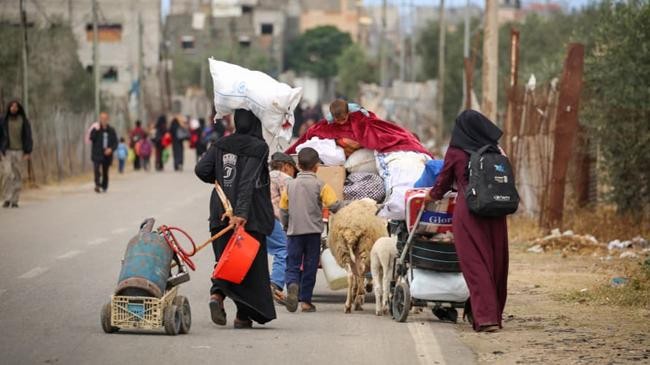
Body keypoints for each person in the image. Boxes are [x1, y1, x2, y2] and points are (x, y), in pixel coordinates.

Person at [426, 109, 509, 333]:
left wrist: (429, 196)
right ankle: (492, 313)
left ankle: (486, 318)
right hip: (496, 213)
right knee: (495, 263)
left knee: (475, 264)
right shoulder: (495, 149)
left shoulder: (456, 151)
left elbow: (442, 183)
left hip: (470, 212)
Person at [195, 109, 276, 329]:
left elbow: (201, 169)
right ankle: (242, 316)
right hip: (247, 216)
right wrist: (240, 213)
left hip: (220, 211)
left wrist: (220, 177)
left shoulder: (221, 143)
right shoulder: (259, 147)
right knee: (247, 265)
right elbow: (247, 181)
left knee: (225, 260)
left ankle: (217, 297)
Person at [280, 147, 343, 312]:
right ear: (317, 167)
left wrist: (286, 225)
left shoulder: (290, 185)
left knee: (292, 264)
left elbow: (283, 210)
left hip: (294, 233)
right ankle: (306, 302)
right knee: (310, 266)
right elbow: (334, 205)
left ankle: (293, 285)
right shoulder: (321, 185)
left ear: (298, 165)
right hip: (313, 233)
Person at [286, 98, 431, 157]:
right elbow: (306, 137)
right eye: (338, 121)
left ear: (348, 113)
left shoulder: (359, 115)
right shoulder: (328, 123)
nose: (342, 124)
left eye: (344, 119)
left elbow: (375, 126)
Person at [266, 152, 298, 309]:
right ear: (286, 166)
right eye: (293, 169)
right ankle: (276, 285)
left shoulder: (263, 175)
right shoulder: (285, 179)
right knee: (283, 249)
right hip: (273, 220)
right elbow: (288, 203)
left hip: (254, 219)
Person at [0, 100, 33, 208]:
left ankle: (15, 200)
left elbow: (28, 136)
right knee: (7, 174)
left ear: (19, 108)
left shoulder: (23, 121)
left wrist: (28, 151)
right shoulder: (3, 120)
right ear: (9, 107)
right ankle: (7, 198)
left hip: (19, 151)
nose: (14, 108)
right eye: (12, 106)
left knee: (17, 176)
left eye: (16, 106)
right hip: (7, 151)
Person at [90, 112, 118, 193]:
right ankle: (97, 184)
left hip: (107, 154)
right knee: (96, 169)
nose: (103, 120)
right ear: (100, 119)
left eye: (105, 118)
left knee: (105, 171)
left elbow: (115, 143)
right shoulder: (95, 128)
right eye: (101, 118)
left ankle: (104, 185)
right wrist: (96, 131)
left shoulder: (111, 130)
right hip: (97, 153)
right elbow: (91, 138)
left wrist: (111, 149)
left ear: (107, 119)